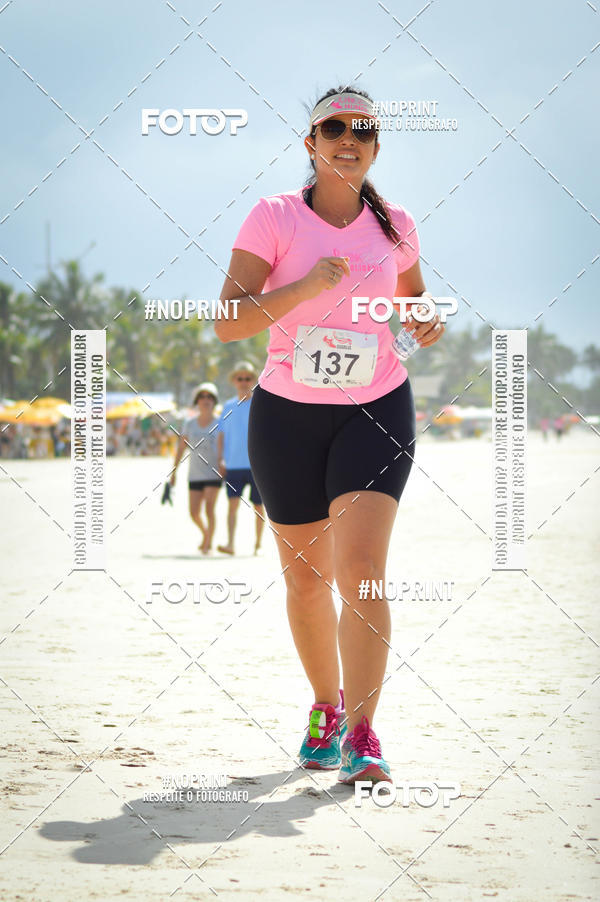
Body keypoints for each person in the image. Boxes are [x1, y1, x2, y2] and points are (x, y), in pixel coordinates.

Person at [215, 86, 445, 785]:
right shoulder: (275, 216)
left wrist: (424, 322)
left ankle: (364, 735)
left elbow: (413, 302)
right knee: (308, 581)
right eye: (334, 127)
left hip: (376, 408)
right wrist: (305, 288)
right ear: (311, 142)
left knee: (362, 571)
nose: (349, 138)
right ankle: (327, 707)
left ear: (376, 144)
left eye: (363, 128)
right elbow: (228, 321)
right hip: (286, 416)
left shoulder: (396, 223)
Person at [215, 361, 265, 555]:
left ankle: (258, 545)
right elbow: (221, 435)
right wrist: (220, 459)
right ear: (234, 381)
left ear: (253, 380)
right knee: (232, 506)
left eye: (248, 378)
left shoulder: (259, 404)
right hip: (233, 465)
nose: (244, 382)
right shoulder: (227, 406)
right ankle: (230, 544)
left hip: (257, 465)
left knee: (258, 506)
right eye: (240, 378)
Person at [171, 382, 222, 554]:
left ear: (214, 401)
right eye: (202, 396)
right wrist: (174, 472)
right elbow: (180, 448)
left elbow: (226, 447)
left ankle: (208, 542)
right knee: (194, 512)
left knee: (209, 508)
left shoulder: (220, 423)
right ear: (197, 401)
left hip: (214, 473)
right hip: (194, 474)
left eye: (209, 397)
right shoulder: (189, 424)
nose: (205, 400)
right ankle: (206, 533)